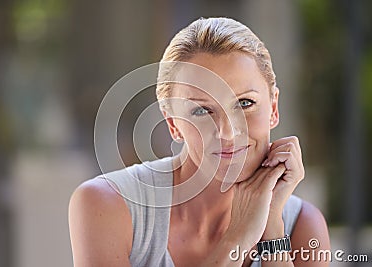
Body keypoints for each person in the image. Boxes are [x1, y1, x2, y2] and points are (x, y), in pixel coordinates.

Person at [69, 17, 330, 266]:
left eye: (245, 103)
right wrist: (237, 239)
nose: (227, 132)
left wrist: (272, 228)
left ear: (273, 107)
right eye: (201, 111)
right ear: (173, 124)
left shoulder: (301, 225)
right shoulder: (108, 205)